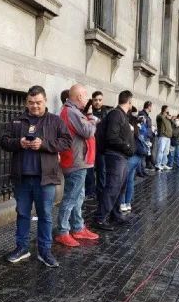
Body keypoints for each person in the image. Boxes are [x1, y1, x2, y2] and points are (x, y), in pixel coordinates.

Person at [0, 85, 71, 266]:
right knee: (22, 214)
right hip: (22, 177)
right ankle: (22, 247)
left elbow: (67, 142)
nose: (35, 106)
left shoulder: (55, 121)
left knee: (45, 215)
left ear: (45, 100)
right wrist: (19, 143)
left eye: (38, 102)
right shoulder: (17, 121)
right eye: (31, 103)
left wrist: (44, 144)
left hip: (45, 178)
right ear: (27, 102)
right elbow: (4, 141)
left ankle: (44, 251)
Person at [56, 85, 99, 247]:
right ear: (79, 97)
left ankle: (77, 227)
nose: (88, 99)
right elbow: (88, 132)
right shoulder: (72, 112)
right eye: (86, 96)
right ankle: (62, 231)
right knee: (71, 197)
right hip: (75, 162)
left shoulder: (72, 112)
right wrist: (92, 119)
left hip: (78, 161)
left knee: (78, 196)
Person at [92, 90, 135, 231]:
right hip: (116, 156)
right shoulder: (116, 114)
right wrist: (127, 146)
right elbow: (112, 137)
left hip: (122, 156)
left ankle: (115, 215)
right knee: (112, 187)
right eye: (131, 102)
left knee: (120, 187)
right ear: (129, 101)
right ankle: (99, 218)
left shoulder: (122, 115)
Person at [85, 91, 109, 200]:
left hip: (101, 147)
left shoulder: (107, 114)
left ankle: (101, 191)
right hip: (90, 146)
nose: (97, 102)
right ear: (92, 100)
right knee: (89, 171)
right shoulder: (87, 112)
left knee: (101, 171)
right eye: (95, 100)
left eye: (99, 100)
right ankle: (90, 192)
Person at [119, 107, 144, 213]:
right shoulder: (138, 125)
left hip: (130, 155)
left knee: (123, 180)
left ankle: (122, 203)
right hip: (138, 156)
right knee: (130, 180)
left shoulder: (128, 125)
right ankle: (128, 203)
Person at [138, 101, 155, 171]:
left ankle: (144, 168)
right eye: (151, 106)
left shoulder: (146, 115)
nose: (152, 108)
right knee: (143, 153)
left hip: (148, 135)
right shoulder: (142, 114)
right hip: (144, 136)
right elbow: (142, 126)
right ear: (148, 106)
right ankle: (141, 169)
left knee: (146, 153)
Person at [155, 105, 172, 171]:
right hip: (162, 135)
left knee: (166, 151)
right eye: (167, 109)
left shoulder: (168, 117)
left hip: (168, 136)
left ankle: (163, 164)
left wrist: (169, 118)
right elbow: (159, 117)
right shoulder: (160, 116)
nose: (168, 110)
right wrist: (165, 116)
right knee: (160, 150)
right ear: (165, 109)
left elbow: (172, 123)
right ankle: (158, 164)